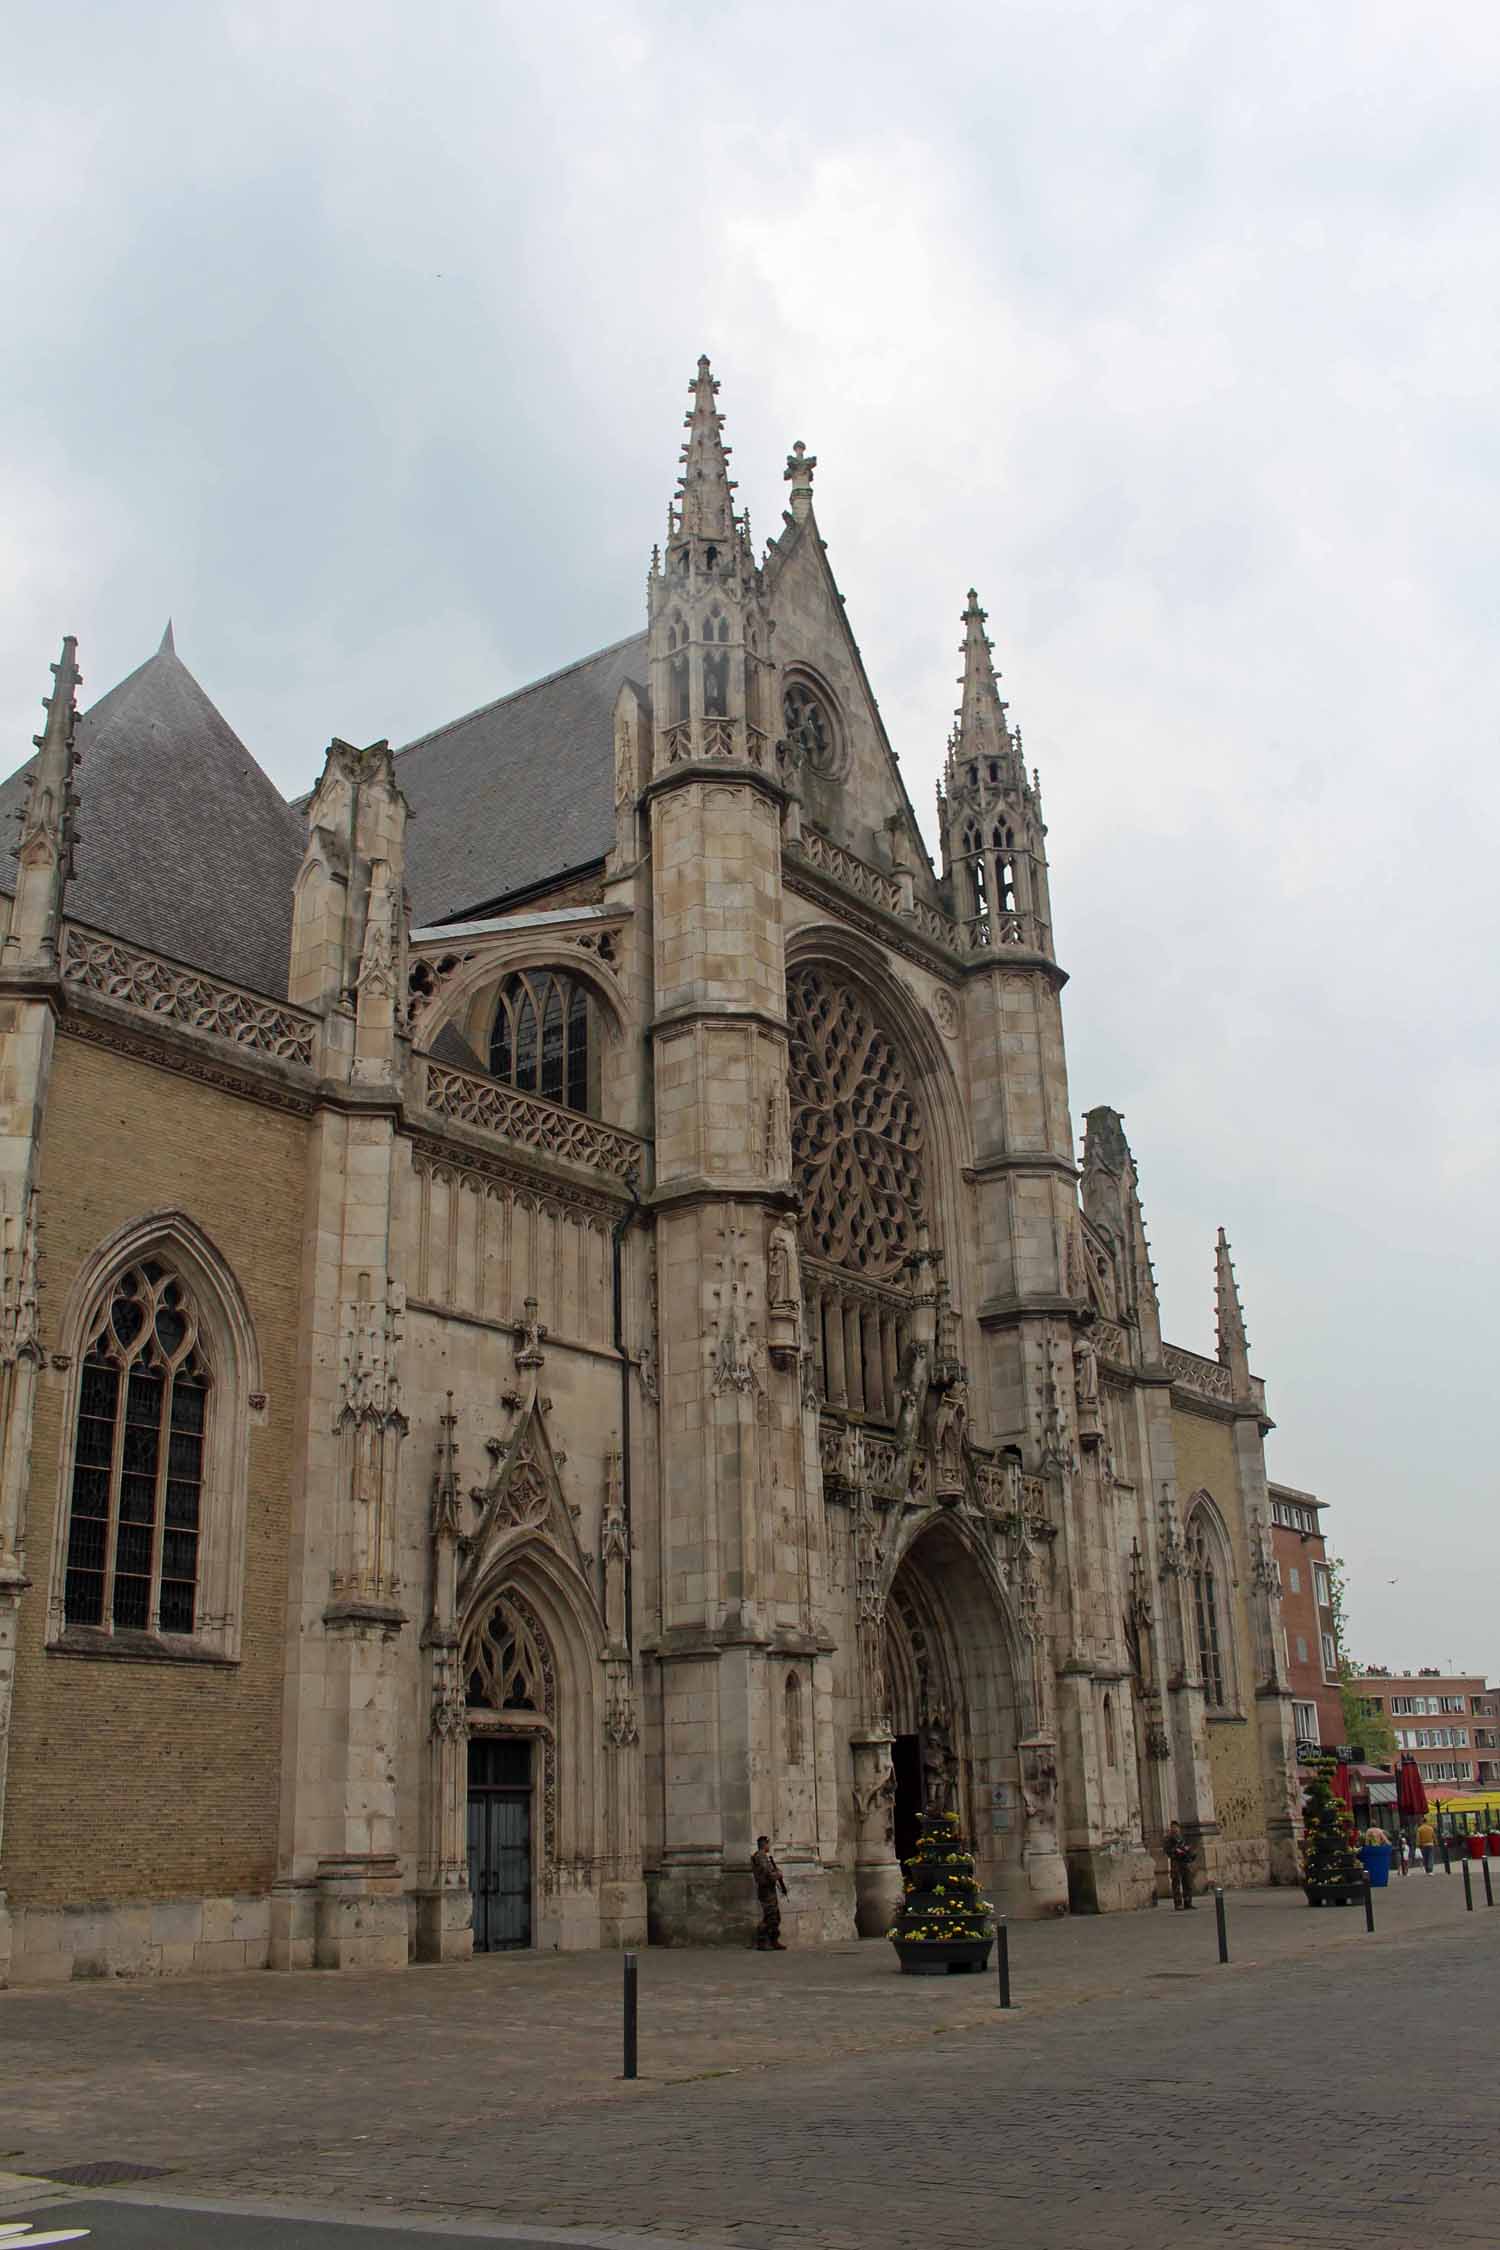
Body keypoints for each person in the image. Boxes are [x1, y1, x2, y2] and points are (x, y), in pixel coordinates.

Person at [750, 1835, 788, 1950]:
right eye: (768, 1844)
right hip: (765, 1891)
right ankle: (762, 1941)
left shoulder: (764, 1857)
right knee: (770, 1916)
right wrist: (778, 1874)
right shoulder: (760, 1857)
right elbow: (768, 1873)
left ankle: (773, 1940)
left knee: (775, 1916)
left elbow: (770, 1871)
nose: (769, 1846)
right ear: (764, 1844)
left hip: (769, 1890)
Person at [1164, 1820, 1197, 1910]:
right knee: (1176, 1883)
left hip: (1185, 1861)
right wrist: (1175, 1851)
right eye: (1173, 1827)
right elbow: (1167, 1850)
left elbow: (1190, 1847)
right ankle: (1178, 1903)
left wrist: (1187, 1849)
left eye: (1176, 1827)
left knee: (1187, 1882)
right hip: (1176, 1862)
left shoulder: (1183, 1838)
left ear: (1179, 1828)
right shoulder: (1168, 1839)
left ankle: (1188, 1902)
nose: (1175, 1829)